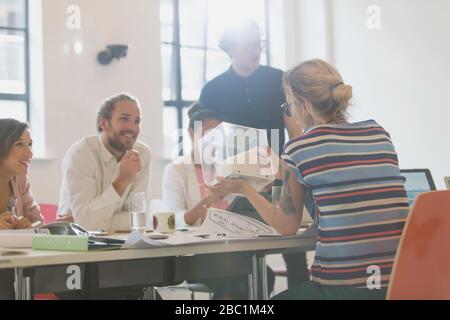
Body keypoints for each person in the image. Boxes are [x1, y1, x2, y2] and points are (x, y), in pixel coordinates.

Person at [208, 59, 410, 300]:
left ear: (303, 105)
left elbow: (286, 227)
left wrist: (244, 188)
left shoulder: (299, 149)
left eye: (289, 106)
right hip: (399, 285)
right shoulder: (378, 134)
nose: (289, 113)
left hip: (341, 290)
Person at [199, 19, 308, 289]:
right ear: (231, 48)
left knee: (293, 252)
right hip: (235, 180)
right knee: (236, 249)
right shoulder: (212, 90)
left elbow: (294, 130)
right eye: (248, 44)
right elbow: (207, 142)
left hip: (279, 177)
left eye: (258, 43)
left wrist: (294, 166)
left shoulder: (277, 80)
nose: (255, 49)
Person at [162, 103, 274, 299]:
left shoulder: (228, 168)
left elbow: (244, 208)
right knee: (231, 276)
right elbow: (175, 220)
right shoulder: (176, 170)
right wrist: (209, 199)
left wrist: (260, 186)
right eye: (207, 135)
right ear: (190, 133)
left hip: (232, 249)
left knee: (264, 274)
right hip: (197, 256)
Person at [58, 93, 151, 233]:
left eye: (137, 121)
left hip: (124, 244)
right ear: (104, 123)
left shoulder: (142, 154)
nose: (132, 128)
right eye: (124, 119)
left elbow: (139, 219)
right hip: (78, 247)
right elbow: (85, 225)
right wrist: (121, 182)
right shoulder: (81, 154)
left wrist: (93, 221)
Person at [0, 118, 44, 300]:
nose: (29, 153)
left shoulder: (20, 180)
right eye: (20, 144)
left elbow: (39, 221)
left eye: (30, 145)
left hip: (9, 267)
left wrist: (28, 225)